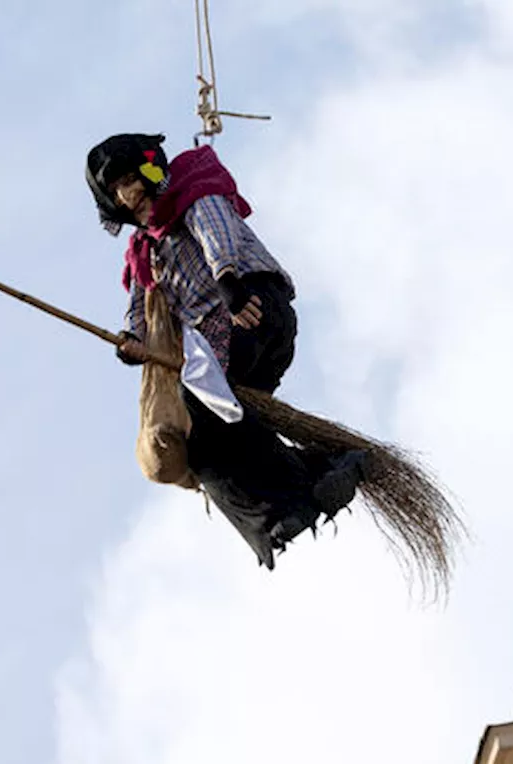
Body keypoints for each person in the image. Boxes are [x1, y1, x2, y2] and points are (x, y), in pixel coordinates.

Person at [86, 133, 370, 569]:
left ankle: (305, 476)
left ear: (148, 172)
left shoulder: (188, 187)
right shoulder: (147, 253)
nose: (129, 195)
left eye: (130, 179)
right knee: (203, 442)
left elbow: (214, 225)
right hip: (225, 343)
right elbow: (142, 309)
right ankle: (279, 515)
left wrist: (228, 281)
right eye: (118, 192)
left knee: (200, 402)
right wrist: (131, 342)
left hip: (250, 307)